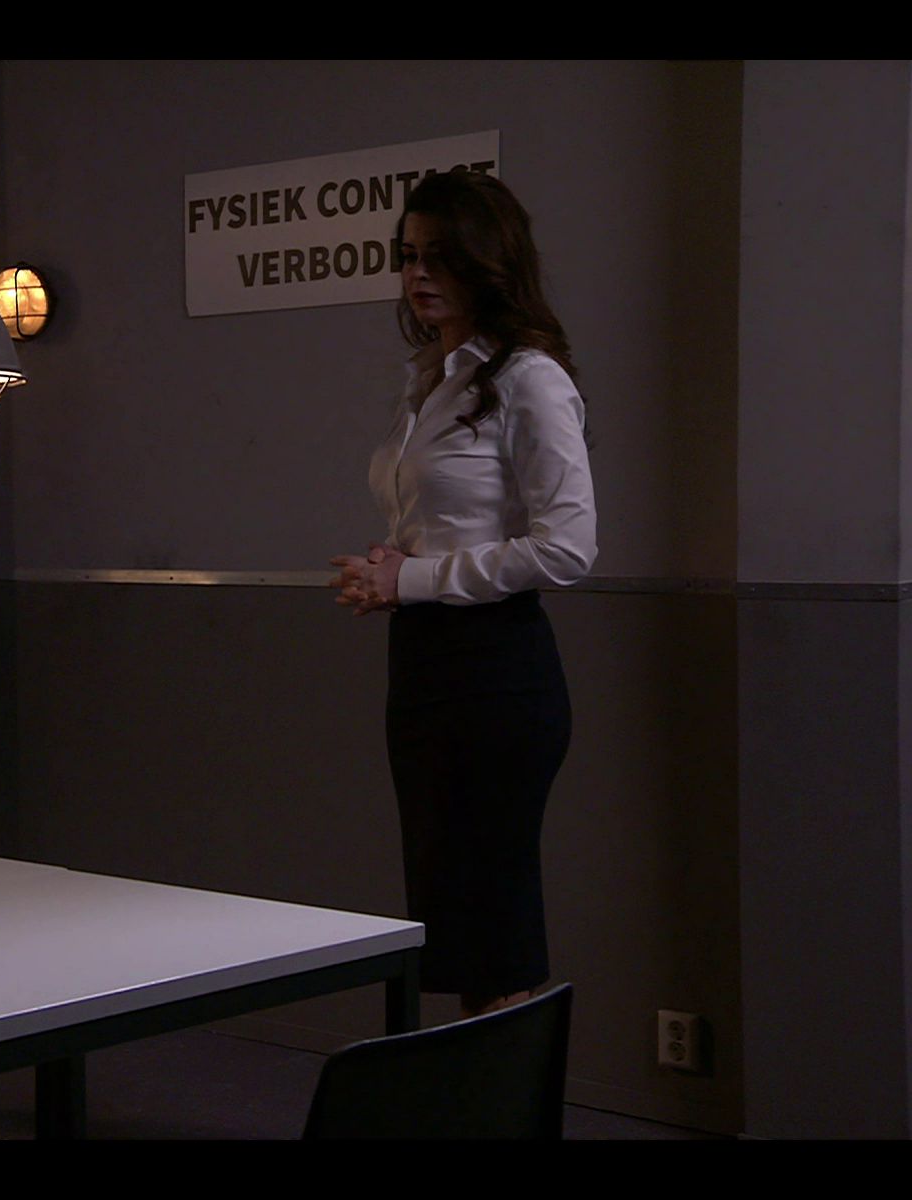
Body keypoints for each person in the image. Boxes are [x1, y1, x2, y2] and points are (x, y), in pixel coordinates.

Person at [327, 170, 596, 1020]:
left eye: (441, 257)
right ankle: (480, 1082)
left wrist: (411, 578)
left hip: (496, 670)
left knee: (492, 920)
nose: (419, 274)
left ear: (489, 261)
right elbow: (452, 524)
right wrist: (395, 564)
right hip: (427, 663)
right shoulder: (431, 376)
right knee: (454, 915)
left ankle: (503, 1087)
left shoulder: (530, 378)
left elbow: (568, 548)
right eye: (409, 256)